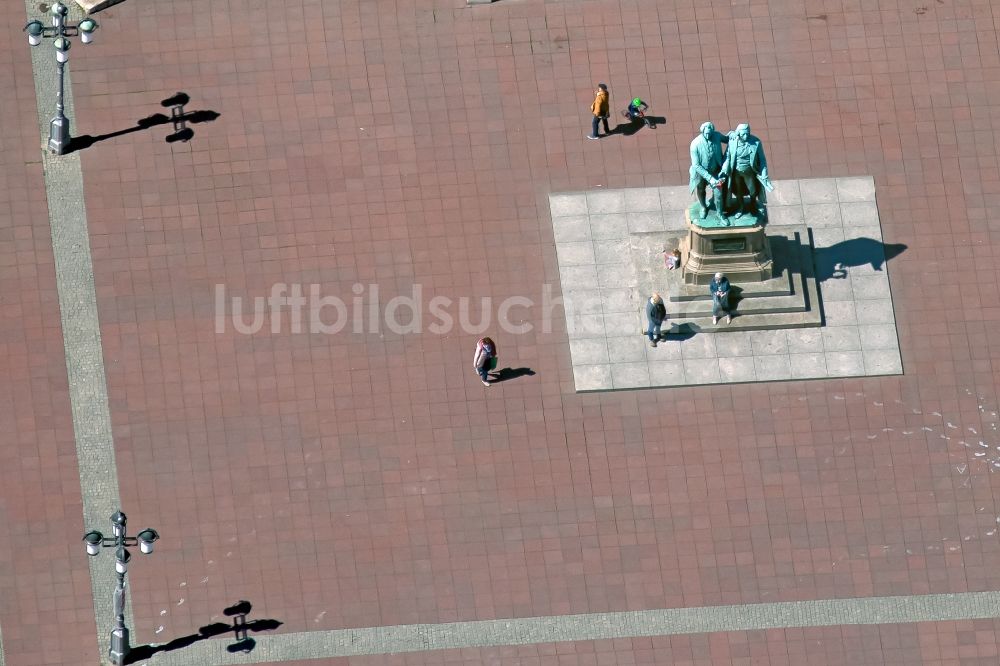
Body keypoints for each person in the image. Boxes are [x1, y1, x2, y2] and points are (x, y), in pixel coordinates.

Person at [718, 123, 774, 219]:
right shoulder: (732, 142)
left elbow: (762, 160)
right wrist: (724, 168)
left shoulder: (756, 142)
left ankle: (753, 205)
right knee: (738, 191)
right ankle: (741, 207)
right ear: (738, 134)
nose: (746, 136)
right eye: (743, 134)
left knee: (752, 190)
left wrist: (764, 174)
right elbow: (727, 156)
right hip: (736, 172)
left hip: (750, 172)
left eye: (747, 133)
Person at [689, 121, 728, 220]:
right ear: (702, 132)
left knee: (718, 193)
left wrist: (734, 135)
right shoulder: (695, 144)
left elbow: (727, 139)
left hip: (716, 171)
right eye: (706, 133)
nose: (708, 135)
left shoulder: (717, 136)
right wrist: (710, 178)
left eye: (710, 133)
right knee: (701, 189)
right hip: (701, 173)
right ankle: (703, 207)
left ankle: (720, 213)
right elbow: (696, 165)